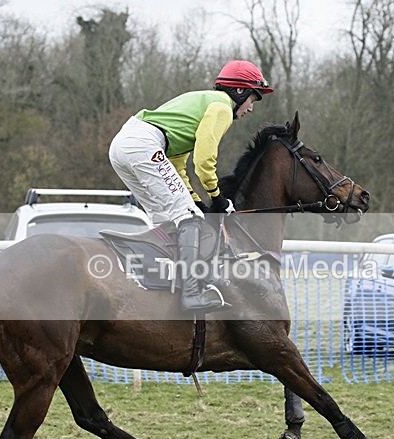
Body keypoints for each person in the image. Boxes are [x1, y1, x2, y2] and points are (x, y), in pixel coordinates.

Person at [109, 60, 273, 312]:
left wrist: (194, 197)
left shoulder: (203, 103)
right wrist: (216, 196)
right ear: (239, 92)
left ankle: (165, 281)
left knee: (166, 217)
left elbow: (176, 164)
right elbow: (204, 159)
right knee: (188, 218)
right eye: (253, 98)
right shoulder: (222, 107)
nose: (251, 108)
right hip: (143, 145)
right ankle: (192, 292)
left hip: (124, 146)